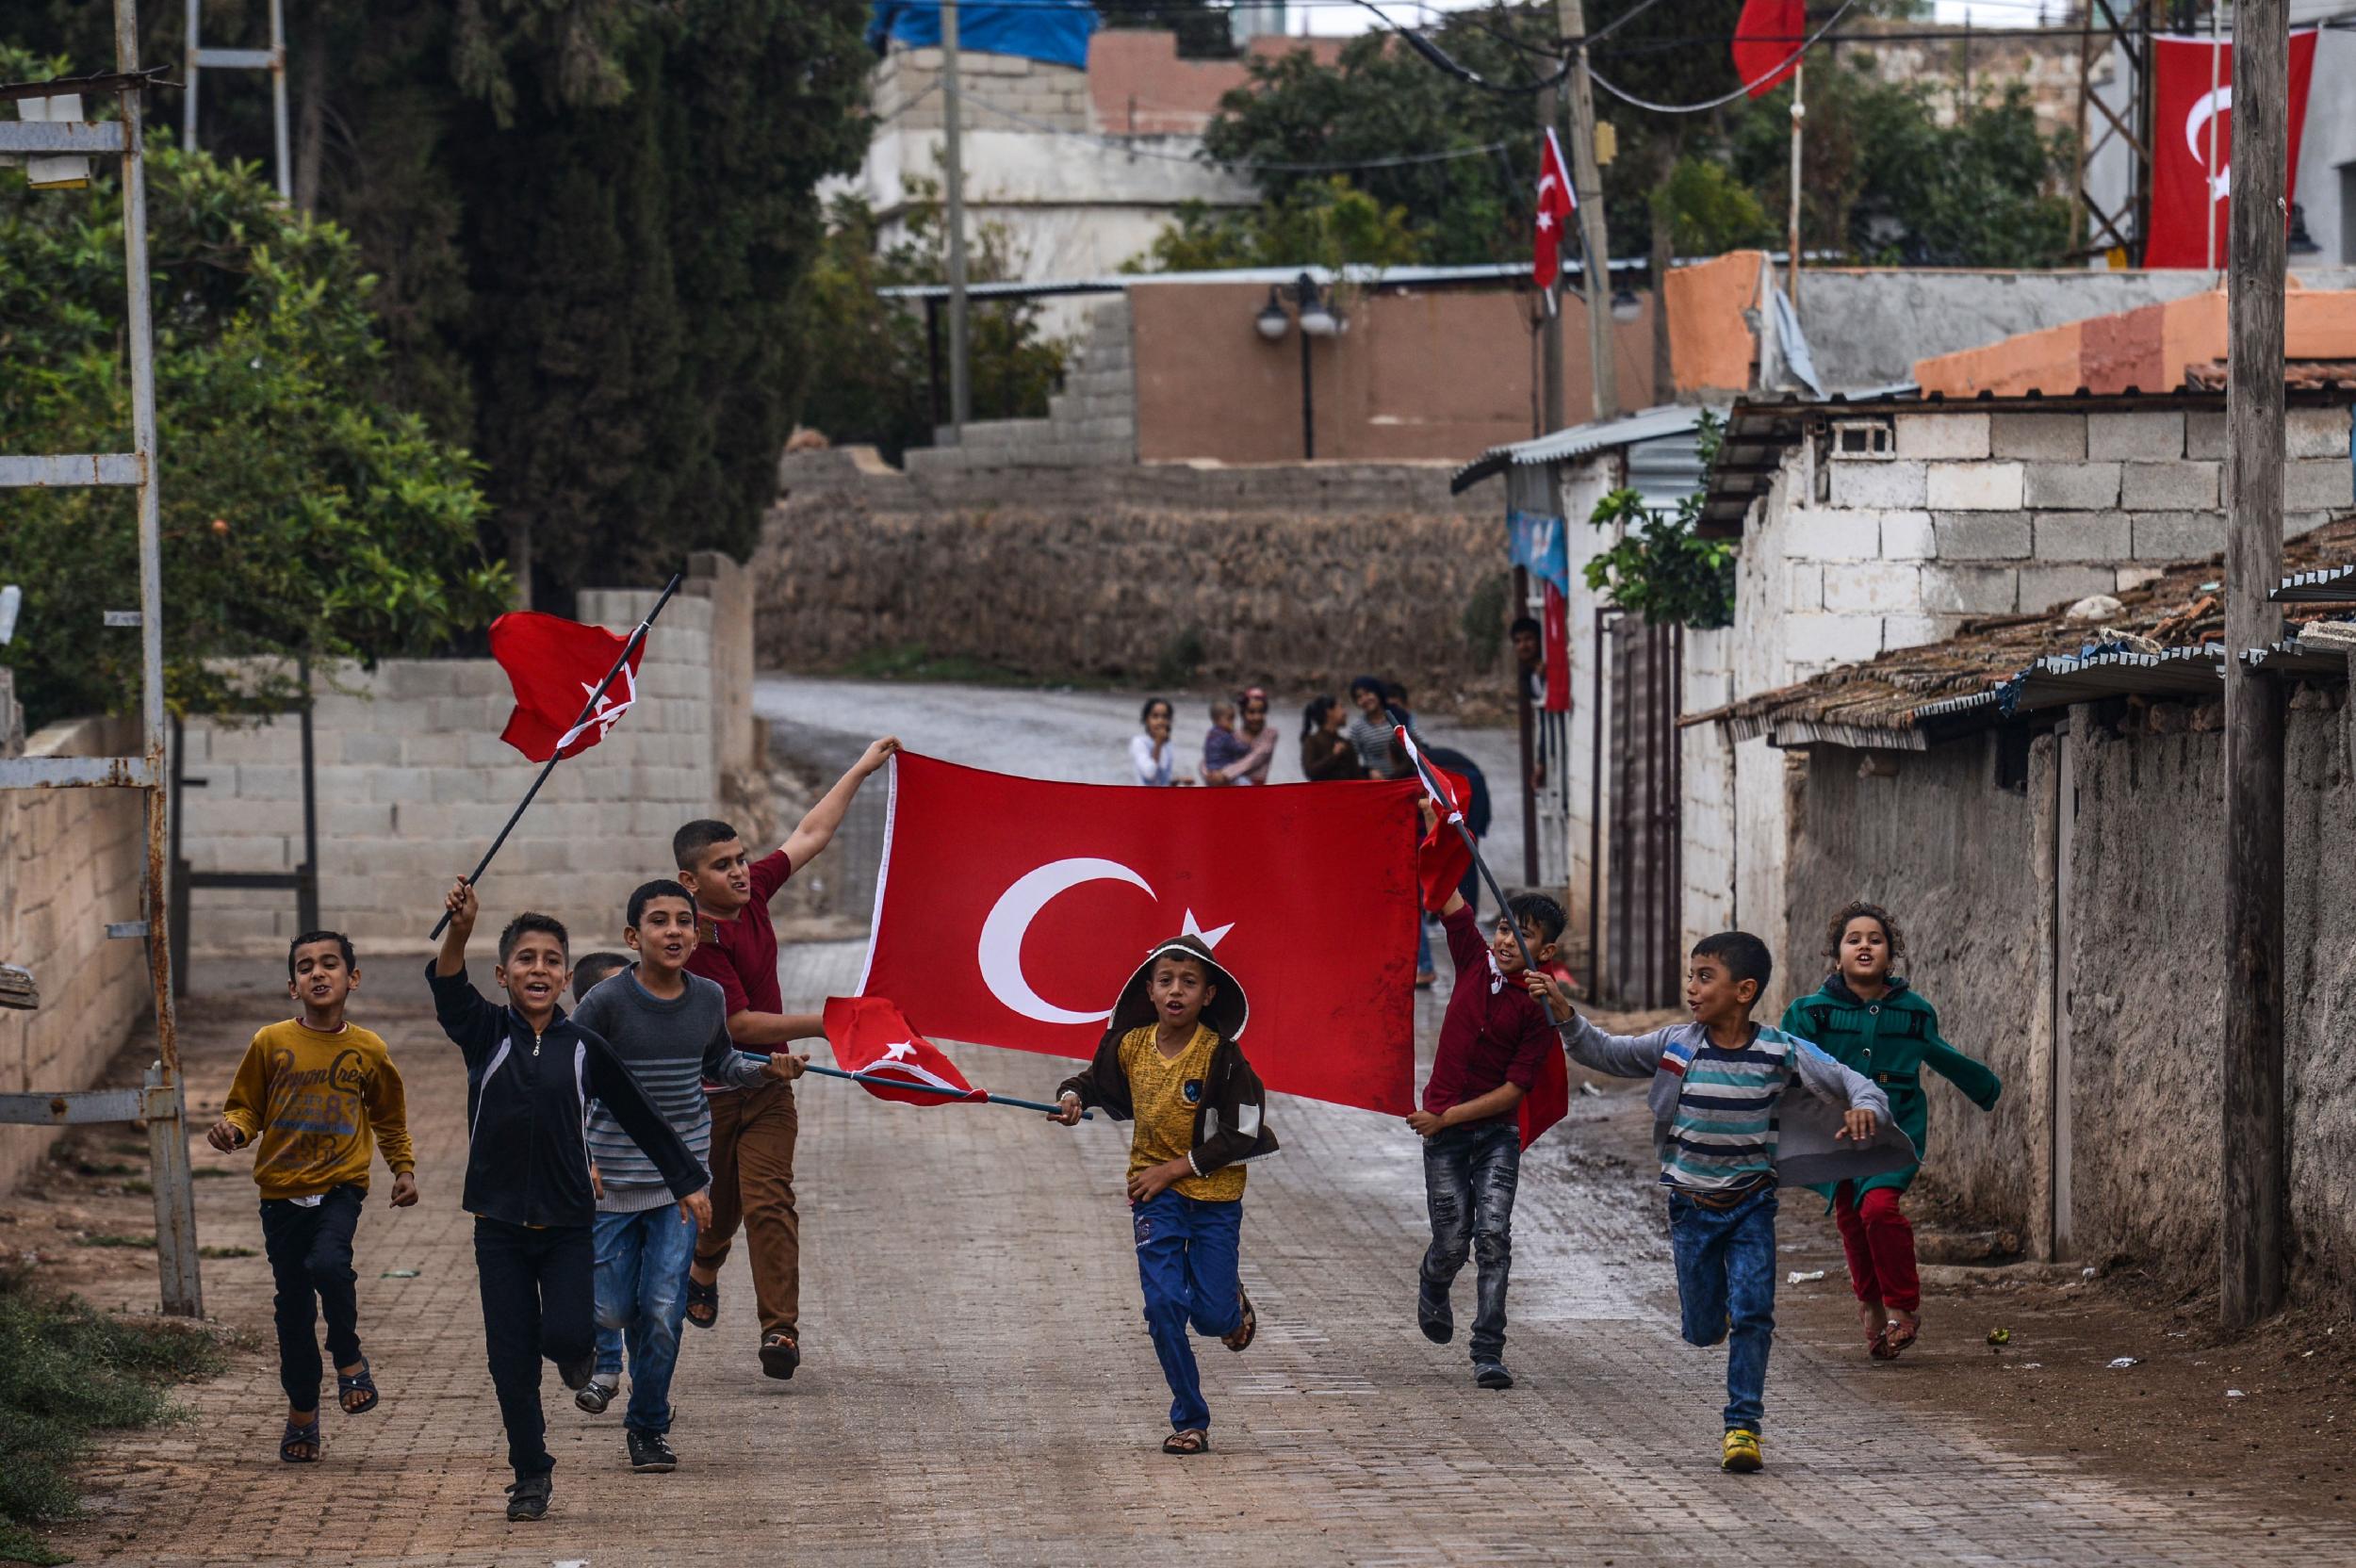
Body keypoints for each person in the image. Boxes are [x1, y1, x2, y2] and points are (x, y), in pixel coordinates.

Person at [1531, 935, 1907, 1474]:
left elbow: (1855, 1083)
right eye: (1691, 975)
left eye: (1705, 976)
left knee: (1755, 1314)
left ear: (1744, 991)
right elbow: (1606, 1052)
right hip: (1690, 1210)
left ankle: (1742, 1427)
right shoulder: (1677, 1046)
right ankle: (1721, 1316)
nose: (1691, 987)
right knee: (1704, 1328)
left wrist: (1865, 1107)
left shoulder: (1780, 1051)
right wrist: (1564, 1013)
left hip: (1752, 1205)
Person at [428, 882, 710, 1522]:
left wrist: (687, 1179)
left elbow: (639, 1113)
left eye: (552, 960)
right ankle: (531, 1473)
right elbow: (447, 985)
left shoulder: (583, 1046)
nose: (540, 969)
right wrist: (461, 930)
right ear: (503, 974)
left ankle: (579, 1353)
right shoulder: (484, 1034)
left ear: (563, 978)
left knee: (566, 1335)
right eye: (526, 959)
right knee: (510, 1360)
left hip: (567, 1226)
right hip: (498, 1226)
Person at [673, 736, 898, 1381]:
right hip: (711, 1095)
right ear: (692, 882)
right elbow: (739, 1024)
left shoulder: (757, 893)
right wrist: (834, 1019)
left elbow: (810, 833)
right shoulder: (696, 938)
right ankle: (705, 1265)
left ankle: (781, 1332)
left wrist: (858, 766)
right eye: (723, 866)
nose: (741, 872)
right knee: (718, 1206)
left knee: (770, 1199)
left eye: (742, 859)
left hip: (770, 1088)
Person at [572, 879, 810, 1472]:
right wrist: (583, 1159)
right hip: (612, 1187)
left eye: (685, 921)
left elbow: (720, 1064)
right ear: (634, 937)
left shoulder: (706, 998)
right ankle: (606, 1367)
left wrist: (765, 1070)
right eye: (659, 921)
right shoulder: (603, 1004)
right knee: (610, 1306)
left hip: (681, 1188)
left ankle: (649, 1424)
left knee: (660, 1307)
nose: (675, 931)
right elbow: (567, 1077)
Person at [1050, 936, 1277, 1456]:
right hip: (1154, 1197)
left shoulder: (1223, 1057)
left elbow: (1244, 1132)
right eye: (1166, 981)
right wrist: (1071, 1097)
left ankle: (1229, 1304)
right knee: (1162, 1305)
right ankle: (1191, 1418)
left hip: (1215, 1198)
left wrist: (1175, 1169)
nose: (1176, 991)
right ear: (1149, 991)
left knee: (1214, 1318)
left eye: (1189, 983)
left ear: (1209, 995)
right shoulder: (1130, 1047)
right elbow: (1091, 1082)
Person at [208, 930, 417, 1465]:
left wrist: (403, 1169)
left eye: (330, 964)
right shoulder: (270, 1042)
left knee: (331, 1263)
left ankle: (348, 1357)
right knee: (293, 1311)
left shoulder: (368, 1049)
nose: (318, 974)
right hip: (281, 1193)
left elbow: (388, 1118)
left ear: (353, 978)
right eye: (306, 967)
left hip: (340, 1186)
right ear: (292, 985)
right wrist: (233, 1128)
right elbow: (247, 1107)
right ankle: (302, 1411)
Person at [1779, 902, 2001, 1362]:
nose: (1864, 945)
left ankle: (1904, 1305)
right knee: (1850, 1218)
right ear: (1836, 956)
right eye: (1853, 939)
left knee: (1878, 1208)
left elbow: (1942, 1055)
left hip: (1894, 1131)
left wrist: (1984, 1087)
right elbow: (1786, 1061)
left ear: (1891, 955)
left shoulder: (1915, 1012)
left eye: (1875, 940)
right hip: (1835, 1134)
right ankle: (1871, 1307)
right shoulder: (1809, 1014)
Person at [1407, 888, 1564, 1391]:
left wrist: (1445, 1117)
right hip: (1446, 1140)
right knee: (1452, 1242)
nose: (1506, 940)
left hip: (1493, 1133)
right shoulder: (1473, 958)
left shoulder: (1539, 1010)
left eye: (1524, 935)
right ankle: (1434, 1280)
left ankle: (1487, 1350)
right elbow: (1449, 898)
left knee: (1493, 1238)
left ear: (1546, 952)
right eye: (1503, 928)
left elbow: (1513, 1092)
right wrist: (1437, 820)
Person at [1510, 615, 1549, 792]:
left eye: (1528, 639)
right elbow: (1542, 722)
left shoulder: (1549, 672)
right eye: (1518, 641)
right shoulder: (1528, 679)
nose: (1523, 646)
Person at [1207, 688, 1278, 786]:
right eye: (1251, 712)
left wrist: (1225, 774)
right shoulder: (1233, 735)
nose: (1256, 717)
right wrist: (1211, 774)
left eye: (1261, 712)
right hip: (1229, 789)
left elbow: (1253, 760)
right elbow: (1210, 755)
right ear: (1243, 713)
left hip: (1256, 791)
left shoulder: (1269, 735)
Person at [1342, 676, 1398, 778]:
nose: (1365, 699)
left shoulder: (1398, 718)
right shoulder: (1357, 728)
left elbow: (1420, 747)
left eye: (1368, 693)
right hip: (1376, 783)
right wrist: (1366, 772)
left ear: (1377, 692)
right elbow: (1352, 762)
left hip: (1405, 781)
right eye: (1359, 697)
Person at [1129, 697, 1191, 787]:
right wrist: (1158, 744)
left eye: (1164, 717)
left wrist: (1179, 780)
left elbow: (1162, 780)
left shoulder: (1167, 745)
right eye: (1155, 716)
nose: (1160, 721)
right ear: (1147, 720)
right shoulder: (1139, 742)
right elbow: (1150, 774)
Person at [1300, 695, 1363, 781]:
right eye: (1341, 707)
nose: (1345, 712)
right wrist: (1334, 755)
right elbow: (1310, 772)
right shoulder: (1312, 741)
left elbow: (1357, 778)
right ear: (1329, 712)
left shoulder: (1346, 743)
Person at [1201, 698, 1245, 785]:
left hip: (1210, 769)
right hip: (1222, 769)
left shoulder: (1210, 734)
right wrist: (1248, 747)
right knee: (1245, 782)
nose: (1233, 723)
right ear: (1216, 720)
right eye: (1230, 719)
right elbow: (1237, 749)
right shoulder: (1225, 736)